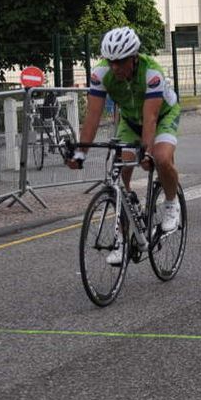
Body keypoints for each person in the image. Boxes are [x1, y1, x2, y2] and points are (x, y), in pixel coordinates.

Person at [67, 27, 182, 264]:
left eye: (120, 62)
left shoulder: (152, 73)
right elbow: (93, 117)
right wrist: (80, 153)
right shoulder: (101, 74)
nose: (115, 67)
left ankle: (172, 204)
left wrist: (146, 152)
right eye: (111, 62)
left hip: (162, 117)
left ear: (134, 57)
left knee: (160, 158)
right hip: (130, 121)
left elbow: (150, 119)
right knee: (119, 173)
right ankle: (121, 237)